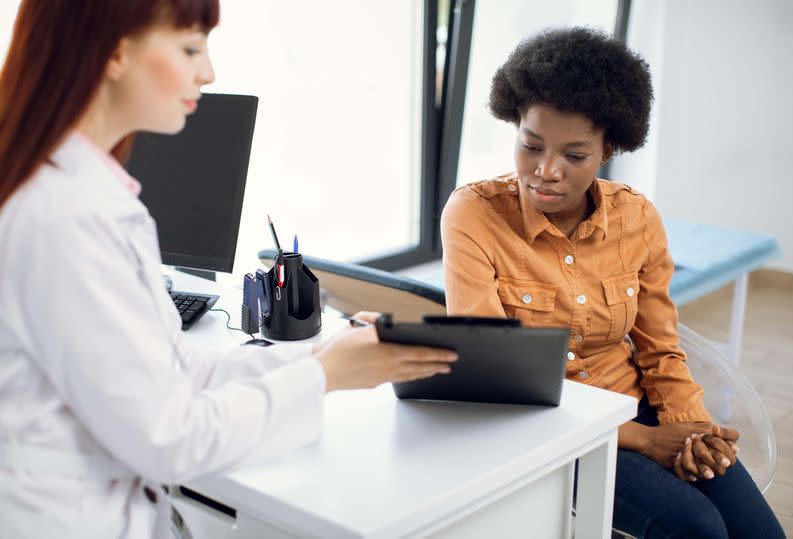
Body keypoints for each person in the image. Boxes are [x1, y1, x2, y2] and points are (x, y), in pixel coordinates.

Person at [0, 1, 457, 537]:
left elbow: (175, 376)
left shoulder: (83, 195)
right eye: (191, 47)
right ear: (116, 51)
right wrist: (324, 375)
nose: (208, 72)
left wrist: (322, 355)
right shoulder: (62, 219)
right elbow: (170, 438)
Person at [441, 27, 784, 538]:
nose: (546, 171)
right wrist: (644, 441)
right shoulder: (474, 214)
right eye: (531, 145)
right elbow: (499, 377)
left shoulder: (636, 218)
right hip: (546, 427)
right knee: (696, 526)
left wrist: (689, 429)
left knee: (758, 531)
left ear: (608, 148)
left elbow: (660, 348)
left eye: (574, 156)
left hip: (636, 403)